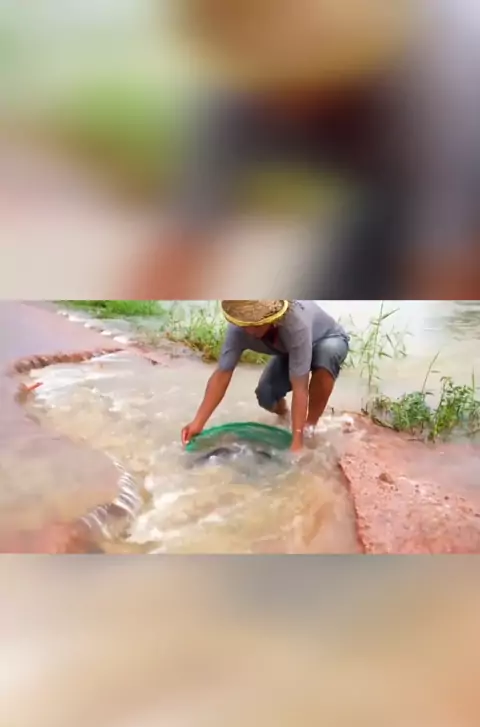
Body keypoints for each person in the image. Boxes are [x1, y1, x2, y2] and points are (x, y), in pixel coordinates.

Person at [132, 0, 480, 302]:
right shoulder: (238, 94)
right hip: (391, 191)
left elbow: (450, 262)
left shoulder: (438, 83)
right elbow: (182, 242)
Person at [181, 300, 349, 452]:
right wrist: (198, 423)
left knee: (326, 354)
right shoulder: (238, 329)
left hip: (326, 339)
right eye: (246, 324)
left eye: (257, 324)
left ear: (273, 317)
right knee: (265, 394)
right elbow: (222, 375)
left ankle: (309, 427)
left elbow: (300, 388)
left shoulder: (295, 324)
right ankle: (286, 416)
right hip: (289, 350)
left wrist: (297, 443)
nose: (250, 330)